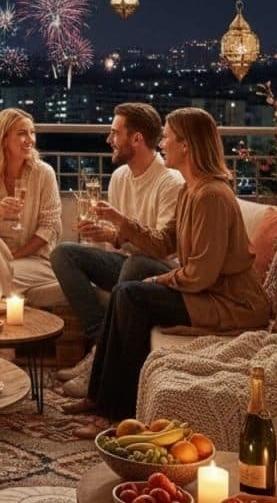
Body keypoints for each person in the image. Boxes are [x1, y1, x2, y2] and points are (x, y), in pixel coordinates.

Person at [66, 107, 270, 433]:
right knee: (125, 293)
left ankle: (116, 414)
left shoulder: (211, 197)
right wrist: (122, 223)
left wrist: (159, 279)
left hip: (228, 302)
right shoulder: (192, 191)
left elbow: (201, 274)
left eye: (168, 138)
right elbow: (163, 243)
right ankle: (100, 397)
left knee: (131, 296)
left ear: (186, 145)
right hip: (203, 292)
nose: (162, 143)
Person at [50, 103, 184, 398]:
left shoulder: (169, 182)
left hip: (161, 273)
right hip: (128, 263)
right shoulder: (122, 176)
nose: (109, 140)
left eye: (115, 133)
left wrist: (117, 232)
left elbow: (163, 247)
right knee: (63, 253)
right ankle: (100, 344)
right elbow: (122, 240)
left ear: (136, 139)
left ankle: (99, 362)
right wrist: (107, 237)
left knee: (135, 263)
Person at [0, 108, 63, 306]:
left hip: (36, 261)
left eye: (32, 132)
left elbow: (49, 227)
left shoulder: (44, 174)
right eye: (22, 133)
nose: (30, 139)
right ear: (3, 139)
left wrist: (13, 257)